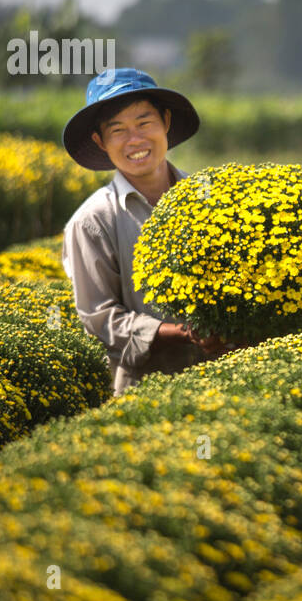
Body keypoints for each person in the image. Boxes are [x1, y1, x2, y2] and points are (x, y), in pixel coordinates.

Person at [60, 67, 230, 398]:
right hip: (147, 394)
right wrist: (179, 333)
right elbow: (100, 319)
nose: (135, 140)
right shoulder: (93, 221)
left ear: (165, 121)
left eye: (144, 123)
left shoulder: (211, 198)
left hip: (227, 381)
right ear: (100, 141)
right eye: (118, 130)